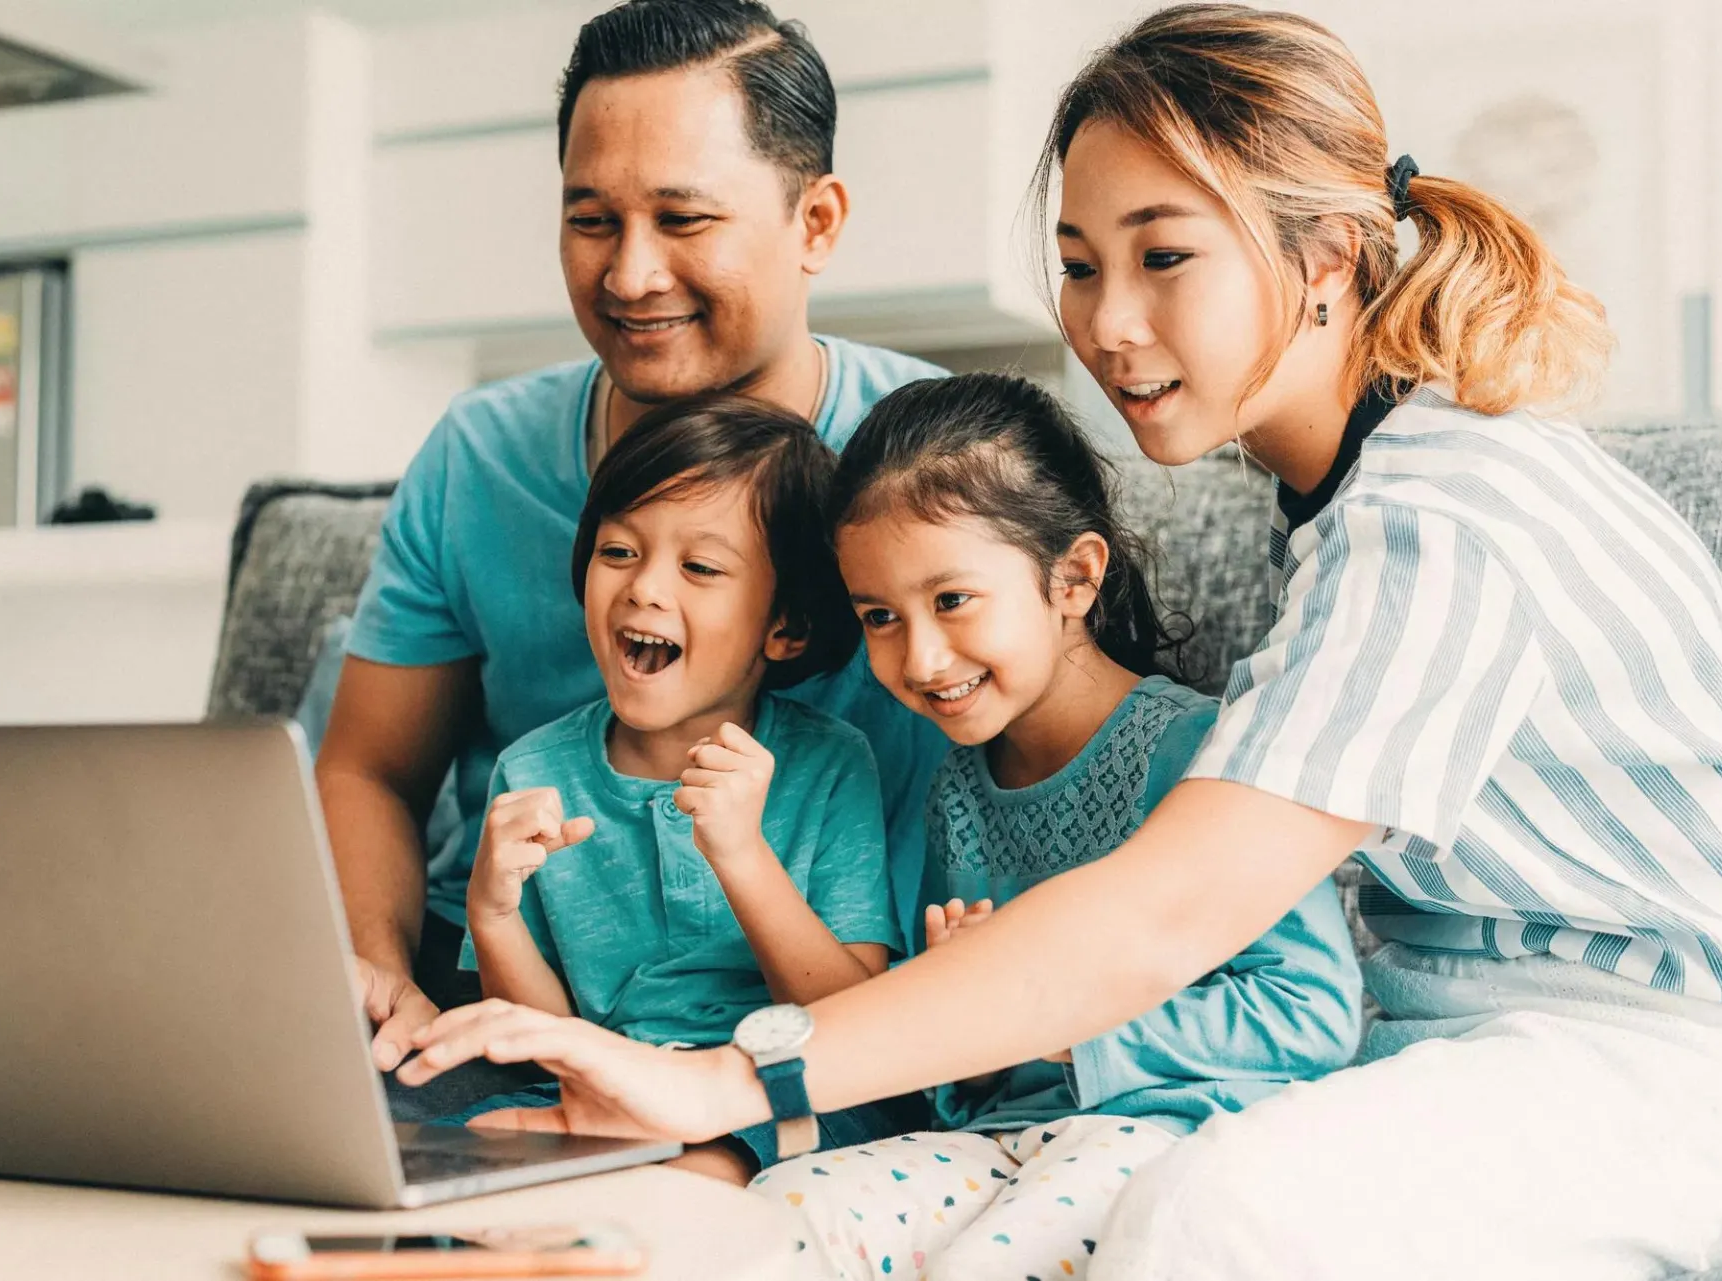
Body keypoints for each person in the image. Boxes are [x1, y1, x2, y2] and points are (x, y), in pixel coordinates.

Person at [398, 7, 1722, 1278]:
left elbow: (1166, 912)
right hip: (1437, 1032)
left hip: (1673, 1053)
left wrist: (730, 1077)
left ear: (1329, 259)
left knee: (1215, 1211)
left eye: (1166, 257)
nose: (1107, 325)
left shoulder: (1447, 515)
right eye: (1076, 264)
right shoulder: (1345, 501)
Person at [317, 0, 949, 1077]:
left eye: (684, 220)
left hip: (821, 1012)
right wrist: (379, 972)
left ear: (817, 224)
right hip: (508, 994)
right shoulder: (480, 456)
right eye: (592, 219)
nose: (629, 276)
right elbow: (372, 768)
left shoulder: (937, 464)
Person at [742, 372, 1360, 1278]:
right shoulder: (957, 788)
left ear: (1072, 577)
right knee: (781, 1212)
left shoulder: (1198, 750)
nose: (918, 656)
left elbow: (1311, 1015)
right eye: (880, 616)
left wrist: (1056, 1023)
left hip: (1175, 1138)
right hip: (1006, 1140)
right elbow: (962, 1066)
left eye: (952, 600)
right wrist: (966, 1004)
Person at [429, 394, 914, 1184]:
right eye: (619, 551)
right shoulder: (533, 772)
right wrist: (492, 911)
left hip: (791, 1088)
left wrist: (742, 852)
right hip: (599, 1087)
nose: (645, 589)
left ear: (784, 625)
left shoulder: (828, 763)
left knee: (716, 1161)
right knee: (455, 1147)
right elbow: (546, 1041)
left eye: (699, 567)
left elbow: (843, 1015)